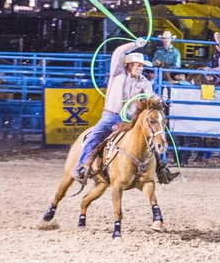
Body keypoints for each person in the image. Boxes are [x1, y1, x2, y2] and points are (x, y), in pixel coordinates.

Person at [71, 38, 180, 184]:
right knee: (94, 137)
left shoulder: (143, 81)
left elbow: (150, 93)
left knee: (156, 135)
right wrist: (134, 44)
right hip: (111, 116)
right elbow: (118, 52)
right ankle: (82, 167)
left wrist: (157, 99)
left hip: (130, 119)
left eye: (142, 65)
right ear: (129, 65)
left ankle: (162, 169)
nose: (141, 68)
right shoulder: (118, 74)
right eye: (138, 65)